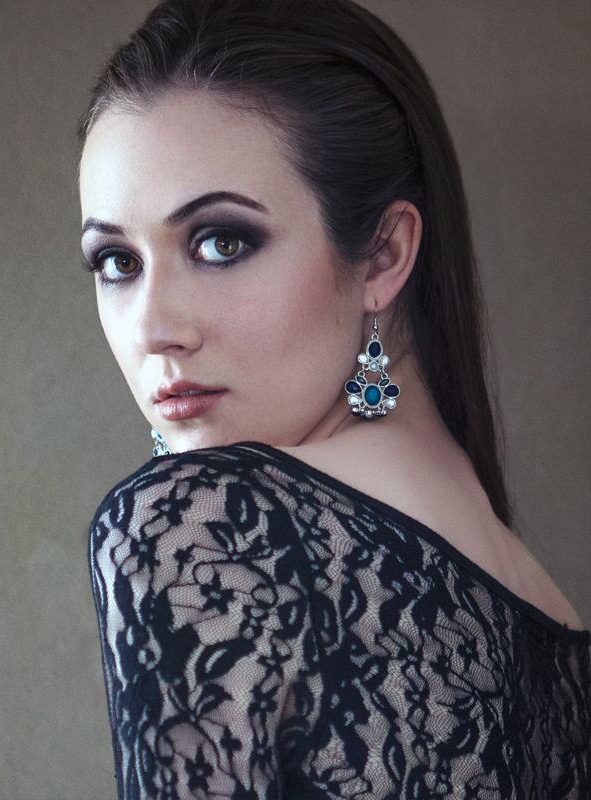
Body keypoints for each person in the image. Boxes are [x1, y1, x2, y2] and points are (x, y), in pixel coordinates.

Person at [79, 0, 591, 797]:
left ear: (383, 254)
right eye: (116, 261)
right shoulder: (552, 613)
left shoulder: (200, 527)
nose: (152, 328)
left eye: (221, 242)